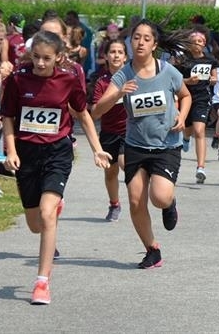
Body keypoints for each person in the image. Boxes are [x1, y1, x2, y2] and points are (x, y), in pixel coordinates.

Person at [1, 31, 111, 305]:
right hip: (26, 153)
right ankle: (51, 208)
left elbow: (83, 114)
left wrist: (97, 149)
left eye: (46, 58)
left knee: (47, 215)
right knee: (35, 224)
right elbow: (8, 118)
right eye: (35, 57)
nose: (39, 63)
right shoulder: (17, 79)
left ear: (58, 58)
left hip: (57, 152)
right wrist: (11, 150)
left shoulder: (68, 80)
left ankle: (42, 282)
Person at [93, 19, 190, 270]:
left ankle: (170, 203)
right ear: (130, 41)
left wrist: (182, 115)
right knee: (136, 201)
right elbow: (96, 111)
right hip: (135, 145)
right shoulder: (122, 74)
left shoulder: (167, 70)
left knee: (158, 197)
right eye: (136, 37)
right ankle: (152, 250)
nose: (141, 42)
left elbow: (185, 95)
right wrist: (118, 93)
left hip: (166, 145)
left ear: (154, 44)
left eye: (147, 38)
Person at [90, 38, 129, 222]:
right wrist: (116, 95)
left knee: (125, 163)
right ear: (106, 56)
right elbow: (95, 113)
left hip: (130, 131)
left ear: (125, 57)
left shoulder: (133, 78)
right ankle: (114, 204)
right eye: (112, 52)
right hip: (109, 132)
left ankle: (138, 199)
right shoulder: (102, 82)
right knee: (111, 172)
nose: (116, 55)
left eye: (120, 52)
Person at [177, 28, 219, 184]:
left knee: (199, 130)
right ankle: (186, 138)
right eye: (193, 42)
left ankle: (200, 167)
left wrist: (213, 79)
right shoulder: (183, 61)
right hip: (186, 98)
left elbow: (214, 76)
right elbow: (176, 80)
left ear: (204, 44)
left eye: (199, 42)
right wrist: (188, 81)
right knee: (187, 129)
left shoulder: (210, 60)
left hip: (202, 98)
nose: (196, 45)